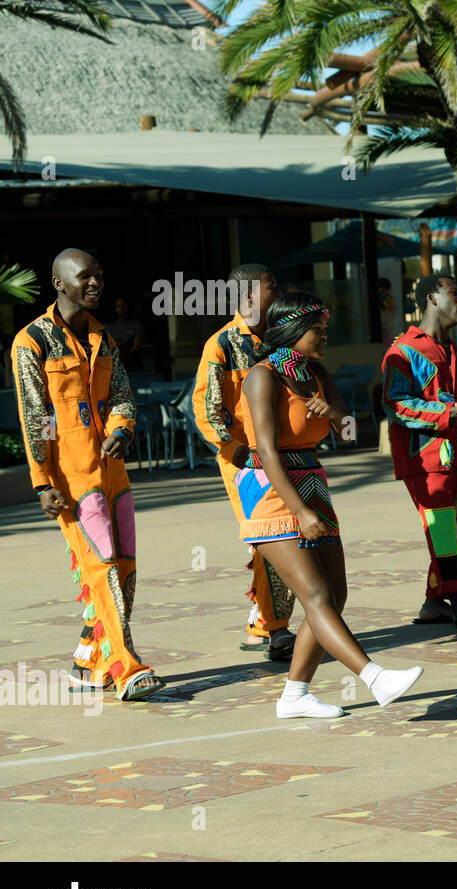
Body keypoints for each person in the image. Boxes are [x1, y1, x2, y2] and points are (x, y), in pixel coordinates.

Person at [237, 291, 423, 718]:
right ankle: (375, 677)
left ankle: (294, 695)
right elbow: (265, 450)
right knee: (316, 594)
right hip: (271, 488)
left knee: (334, 594)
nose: (324, 337)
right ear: (291, 331)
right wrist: (300, 513)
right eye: (316, 330)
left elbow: (350, 433)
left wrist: (335, 413)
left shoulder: (316, 372)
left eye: (325, 329)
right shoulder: (262, 377)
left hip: (313, 482)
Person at [11, 249, 164, 700]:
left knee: (126, 567)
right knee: (101, 568)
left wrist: (122, 429)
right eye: (85, 277)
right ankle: (127, 666)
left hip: (114, 473)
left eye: (99, 276)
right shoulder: (31, 342)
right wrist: (43, 481)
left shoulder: (106, 338)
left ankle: (87, 662)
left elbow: (122, 395)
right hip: (73, 478)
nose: (95, 283)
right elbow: (35, 415)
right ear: (60, 284)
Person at [194, 263, 298, 660]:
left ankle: (262, 621)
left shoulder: (278, 339)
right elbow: (205, 408)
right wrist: (234, 450)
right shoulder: (220, 344)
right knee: (269, 536)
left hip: (281, 455)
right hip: (244, 462)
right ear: (249, 296)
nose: (280, 292)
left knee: (273, 536)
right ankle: (276, 628)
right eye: (274, 286)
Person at [380, 273, 457, 631]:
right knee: (443, 533)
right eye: (454, 294)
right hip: (424, 459)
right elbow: (394, 404)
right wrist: (446, 412)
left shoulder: (456, 352)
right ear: (430, 299)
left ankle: (433, 602)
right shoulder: (403, 351)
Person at [104, 298, 144, 373]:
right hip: (115, 365)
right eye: (118, 306)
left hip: (132, 365)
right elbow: (107, 347)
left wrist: (124, 352)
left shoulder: (135, 326)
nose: (121, 309)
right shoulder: (110, 328)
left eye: (123, 306)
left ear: (127, 307)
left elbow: (137, 346)